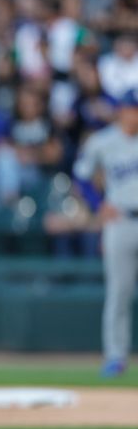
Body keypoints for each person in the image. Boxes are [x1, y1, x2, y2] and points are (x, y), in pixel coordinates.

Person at [73, 88, 138, 378]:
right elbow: (81, 176)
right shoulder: (103, 141)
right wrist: (99, 205)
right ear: (121, 110)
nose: (134, 114)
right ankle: (115, 356)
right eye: (131, 108)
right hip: (120, 220)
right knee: (119, 291)